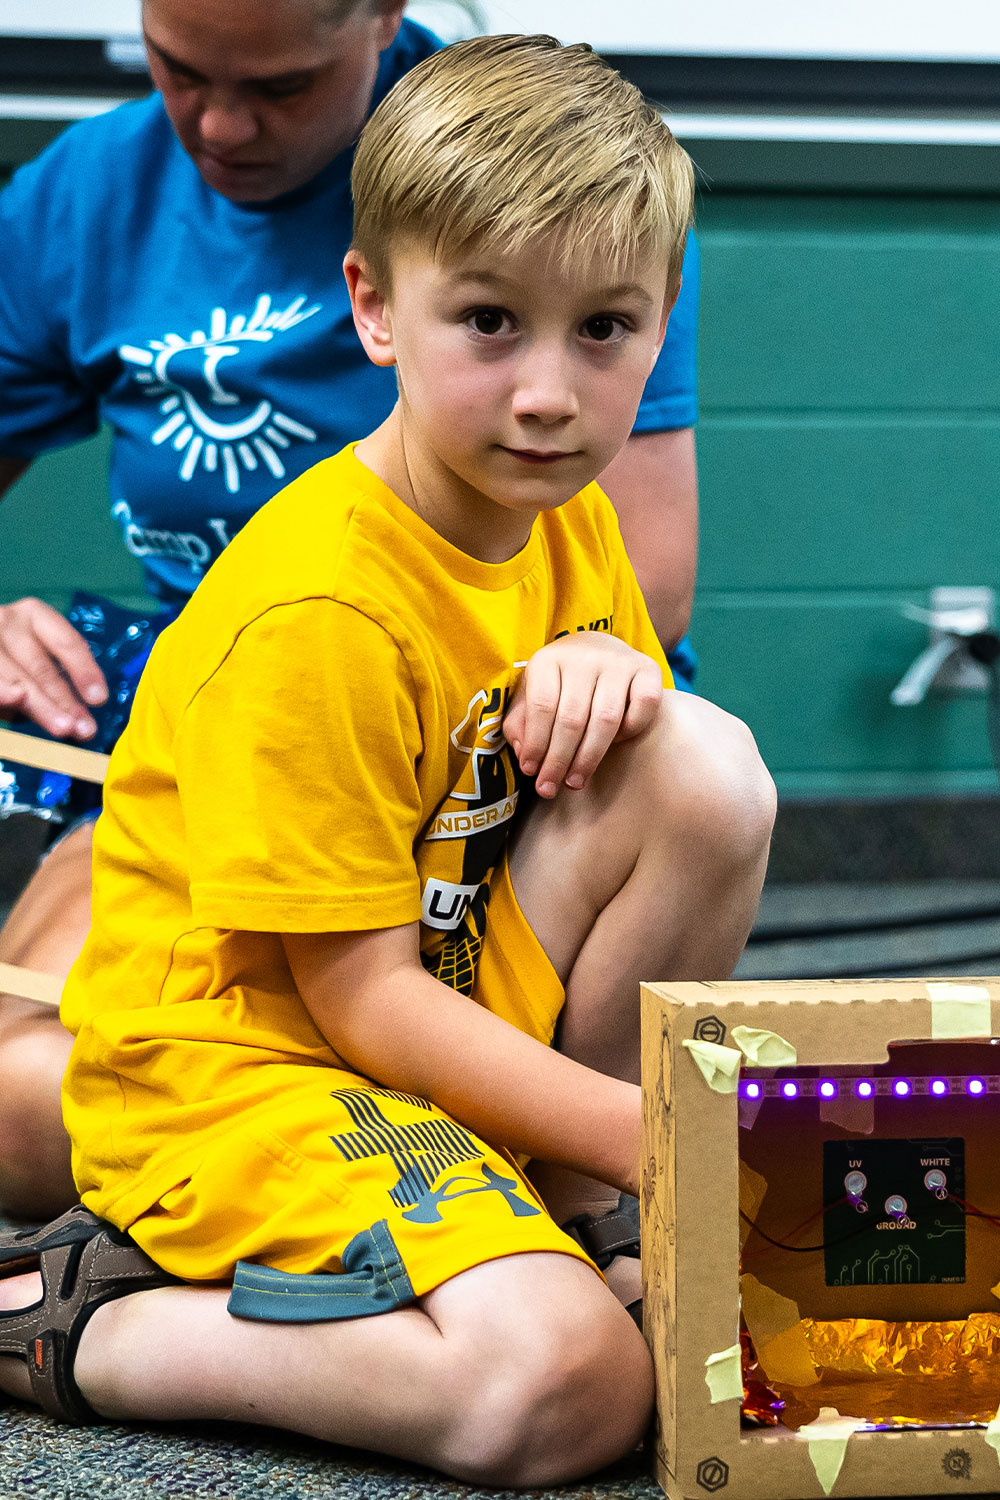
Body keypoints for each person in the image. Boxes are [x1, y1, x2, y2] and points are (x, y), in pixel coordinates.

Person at [0, 35, 772, 1485]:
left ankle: (568, 1200)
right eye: (488, 321)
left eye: (604, 329)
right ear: (374, 310)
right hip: (243, 1067)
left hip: (420, 970)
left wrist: (613, 668)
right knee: (565, 1392)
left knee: (704, 765)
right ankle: (72, 1313)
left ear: (659, 327)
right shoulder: (316, 609)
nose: (549, 392)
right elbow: (357, 1002)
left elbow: (559, 808)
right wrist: (653, 1129)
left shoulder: (558, 506)